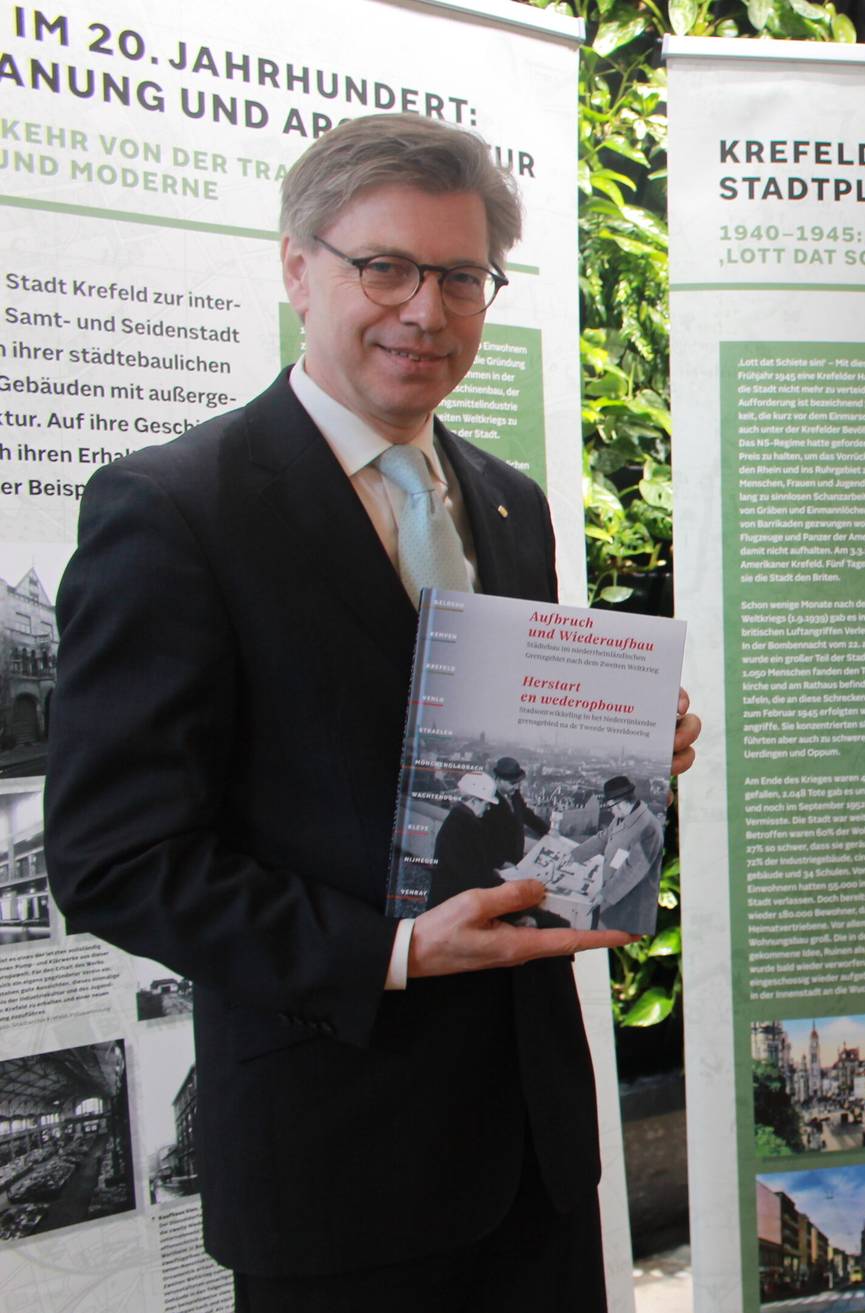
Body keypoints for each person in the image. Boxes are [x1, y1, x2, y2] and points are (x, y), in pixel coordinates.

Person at [44, 113, 700, 1311]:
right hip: (338, 1166)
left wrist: (622, 754)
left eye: (460, 276)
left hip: (537, 1151)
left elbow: (493, 762)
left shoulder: (511, 503)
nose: (425, 310)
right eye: (383, 266)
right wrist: (390, 950)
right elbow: (114, 856)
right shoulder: (176, 510)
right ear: (299, 267)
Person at [567, 775, 665, 936]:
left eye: (611, 806)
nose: (610, 810)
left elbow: (631, 870)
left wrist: (604, 895)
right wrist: (576, 855)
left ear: (622, 803)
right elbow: (604, 837)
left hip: (631, 903)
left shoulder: (649, 828)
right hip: (614, 893)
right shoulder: (624, 816)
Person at [430, 771, 505, 908]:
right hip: (455, 907)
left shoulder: (458, 820)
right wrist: (502, 881)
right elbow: (474, 876)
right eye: (487, 803)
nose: (488, 808)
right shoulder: (467, 826)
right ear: (474, 801)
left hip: (446, 902)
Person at [485, 754, 551, 865]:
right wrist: (500, 862)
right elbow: (484, 840)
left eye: (518, 783)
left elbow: (524, 813)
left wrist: (546, 831)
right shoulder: (487, 801)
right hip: (499, 865)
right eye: (512, 783)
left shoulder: (514, 793)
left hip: (516, 860)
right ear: (498, 780)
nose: (517, 787)